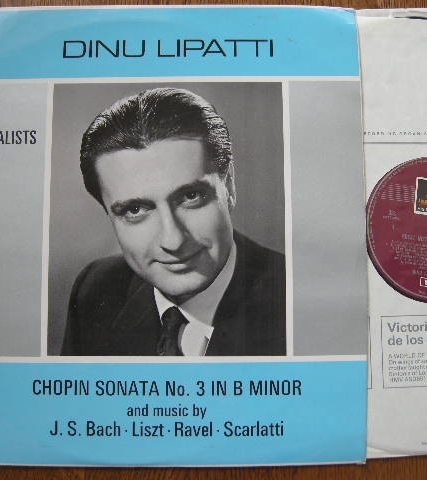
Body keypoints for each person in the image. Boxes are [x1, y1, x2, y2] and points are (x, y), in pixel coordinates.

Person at [61, 87, 285, 356]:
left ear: (228, 185)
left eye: (191, 196)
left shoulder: (295, 297)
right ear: (108, 212)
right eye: (135, 210)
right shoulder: (96, 289)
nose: (173, 240)